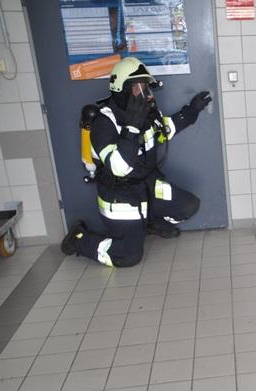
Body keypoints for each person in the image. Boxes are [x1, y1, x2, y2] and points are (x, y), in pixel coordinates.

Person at [61, 57, 211, 267]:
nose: (145, 94)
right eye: (137, 88)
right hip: (120, 196)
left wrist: (192, 110)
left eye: (145, 87)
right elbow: (119, 168)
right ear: (121, 91)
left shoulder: (145, 115)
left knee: (188, 206)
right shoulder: (104, 123)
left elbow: (165, 130)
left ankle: (148, 224)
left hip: (146, 185)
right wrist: (132, 127)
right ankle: (79, 239)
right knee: (129, 257)